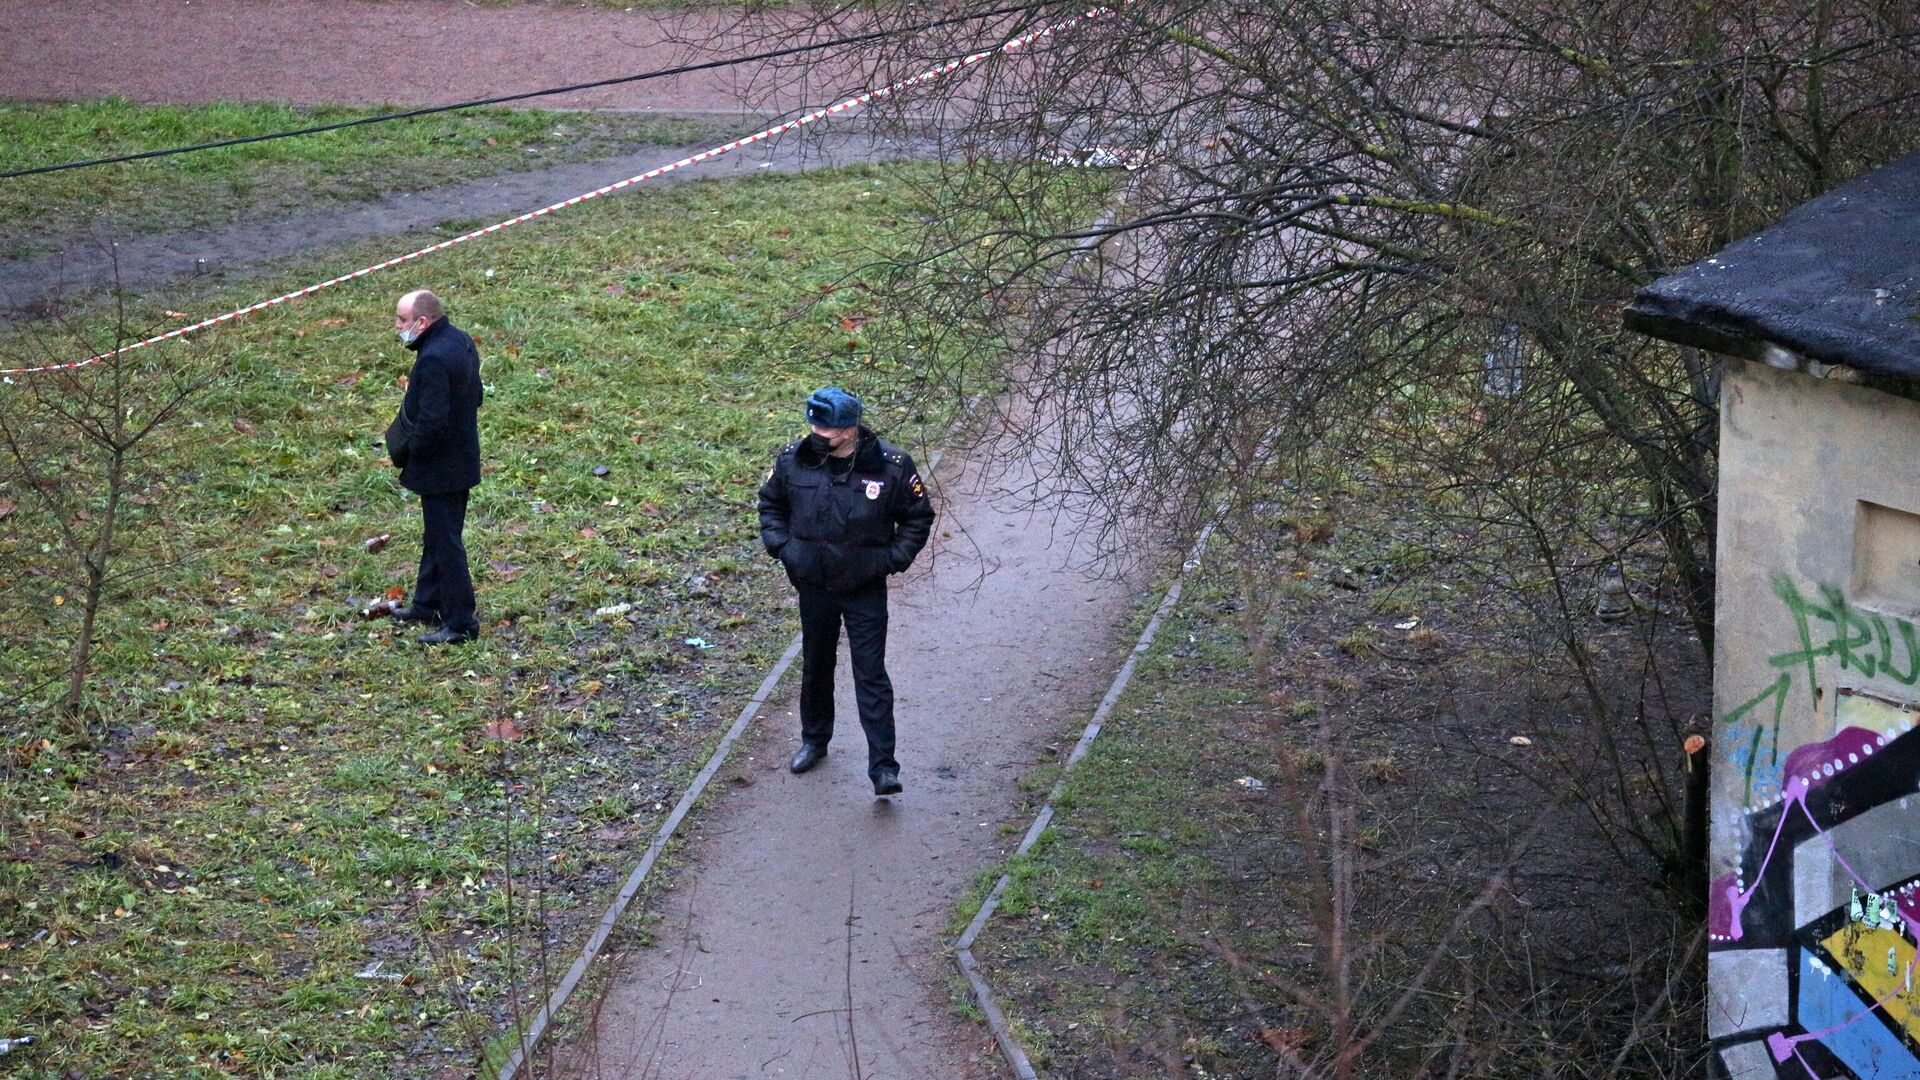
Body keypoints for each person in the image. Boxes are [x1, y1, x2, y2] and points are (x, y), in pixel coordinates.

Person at [757, 387, 935, 796]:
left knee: (870, 674)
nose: (818, 434)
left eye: (828, 428)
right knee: (816, 666)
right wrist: (786, 550)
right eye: (814, 425)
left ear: (850, 429)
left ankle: (883, 767)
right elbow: (771, 506)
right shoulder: (793, 460)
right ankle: (814, 741)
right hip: (814, 585)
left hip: (863, 588)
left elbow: (917, 518)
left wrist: (888, 561)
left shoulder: (891, 467)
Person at [386, 289, 484, 645]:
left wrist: (411, 454)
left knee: (446, 543)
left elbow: (431, 421)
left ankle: (460, 623)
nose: (397, 326)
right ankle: (427, 604)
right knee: (437, 536)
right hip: (463, 458)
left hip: (441, 468)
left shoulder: (433, 359)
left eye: (402, 320)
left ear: (423, 322)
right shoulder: (460, 340)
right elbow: (476, 394)